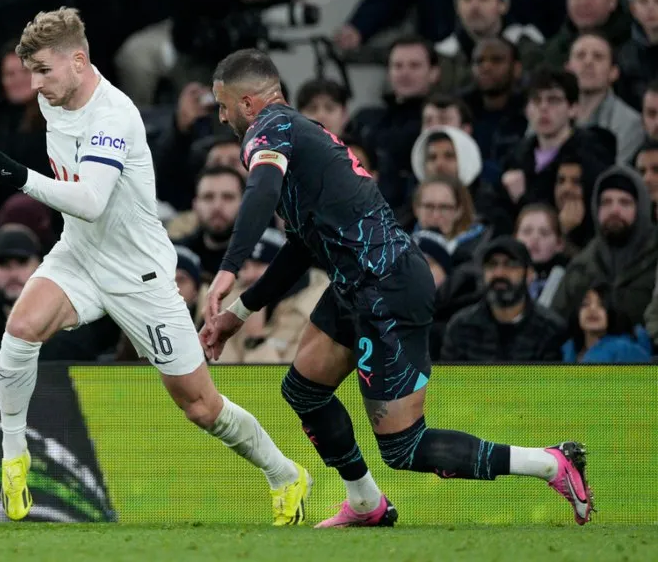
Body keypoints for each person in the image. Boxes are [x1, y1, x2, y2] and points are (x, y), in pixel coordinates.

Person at [201, 48, 594, 528]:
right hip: (357, 285)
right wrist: (236, 315)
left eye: (223, 105)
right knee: (304, 391)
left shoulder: (271, 129)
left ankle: (552, 463)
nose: (220, 117)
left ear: (247, 103)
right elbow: (302, 248)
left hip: (387, 289)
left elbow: (259, 192)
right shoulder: (299, 144)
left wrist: (228, 269)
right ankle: (366, 505)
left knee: (404, 448)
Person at [0, 8, 309, 525]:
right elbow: (82, 217)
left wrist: (20, 177)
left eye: (43, 70)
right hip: (79, 254)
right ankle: (14, 460)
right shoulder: (52, 100)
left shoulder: (114, 115)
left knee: (200, 407)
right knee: (20, 328)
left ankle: (285, 473)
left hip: (139, 275)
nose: (34, 84)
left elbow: (91, 201)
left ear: (78, 61)